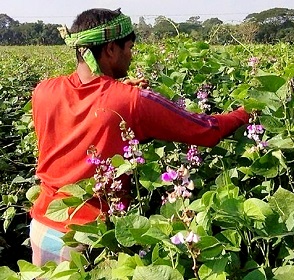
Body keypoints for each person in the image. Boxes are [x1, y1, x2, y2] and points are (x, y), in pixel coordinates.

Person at [30, 8, 249, 266]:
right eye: (130, 48)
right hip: (89, 239)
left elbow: (84, 116)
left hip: (43, 226)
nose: (131, 56)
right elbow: (207, 130)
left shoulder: (44, 91)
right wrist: (245, 112)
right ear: (111, 49)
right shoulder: (132, 101)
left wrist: (120, 93)